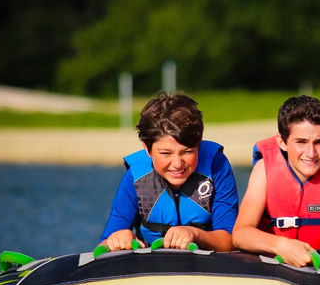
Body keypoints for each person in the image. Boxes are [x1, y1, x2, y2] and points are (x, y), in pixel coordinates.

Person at [233, 95, 320, 268]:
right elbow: (240, 234)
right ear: (282, 141)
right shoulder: (264, 168)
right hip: (274, 267)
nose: (311, 153)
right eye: (301, 142)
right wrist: (280, 245)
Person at [99, 92, 239, 252]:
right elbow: (103, 245)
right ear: (147, 149)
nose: (178, 164)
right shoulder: (136, 176)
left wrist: (195, 234)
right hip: (152, 263)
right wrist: (117, 240)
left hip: (207, 261)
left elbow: (230, 240)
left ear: (199, 146)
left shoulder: (216, 165)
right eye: (166, 153)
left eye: (187, 151)